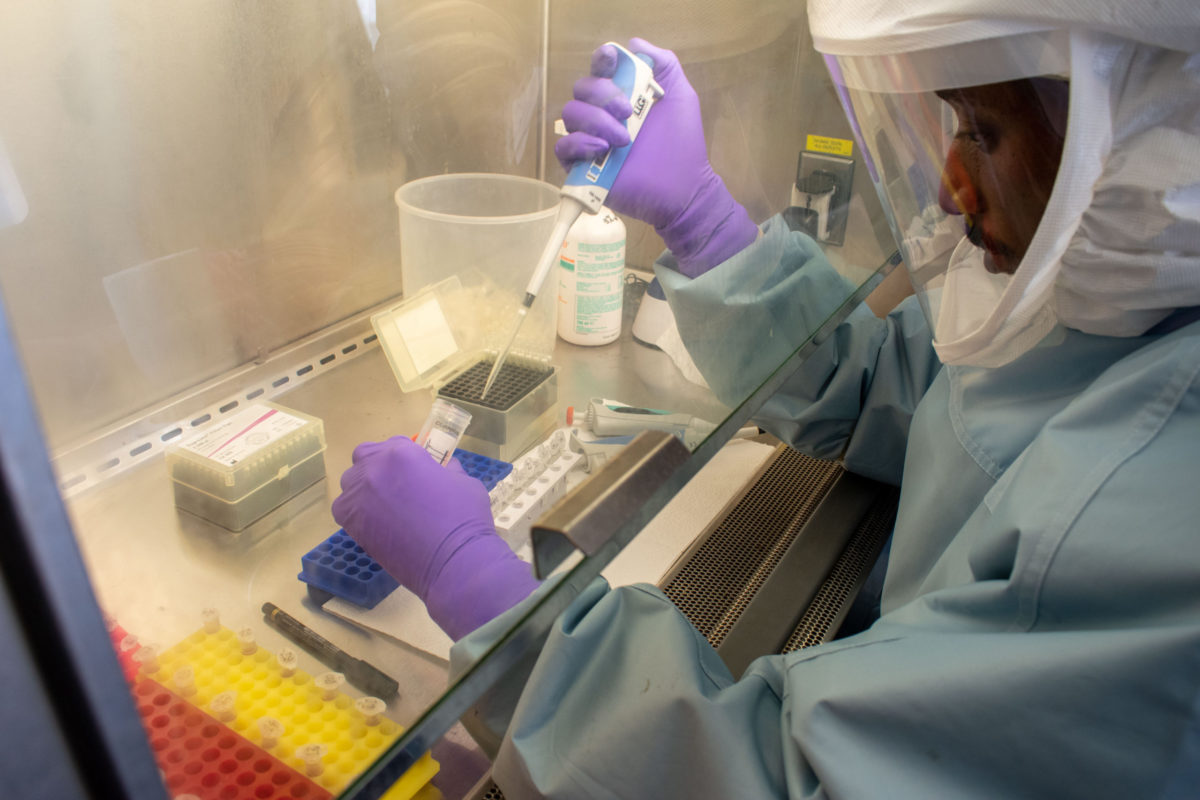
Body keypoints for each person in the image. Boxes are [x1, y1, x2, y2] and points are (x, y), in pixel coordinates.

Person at [332, 0, 1200, 795]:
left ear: (1154, 128)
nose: (947, 188)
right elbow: (907, 392)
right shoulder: (1118, 316)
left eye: (982, 130)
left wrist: (482, 589)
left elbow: (757, 777)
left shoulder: (1151, 519)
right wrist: (707, 224)